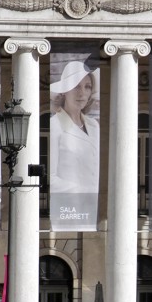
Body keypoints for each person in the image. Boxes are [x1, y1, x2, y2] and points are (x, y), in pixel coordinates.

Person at [49, 60, 100, 199]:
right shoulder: (54, 126)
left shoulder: (94, 126)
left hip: (95, 208)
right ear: (65, 91)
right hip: (68, 209)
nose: (82, 93)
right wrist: (86, 191)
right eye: (76, 86)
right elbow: (50, 178)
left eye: (87, 87)